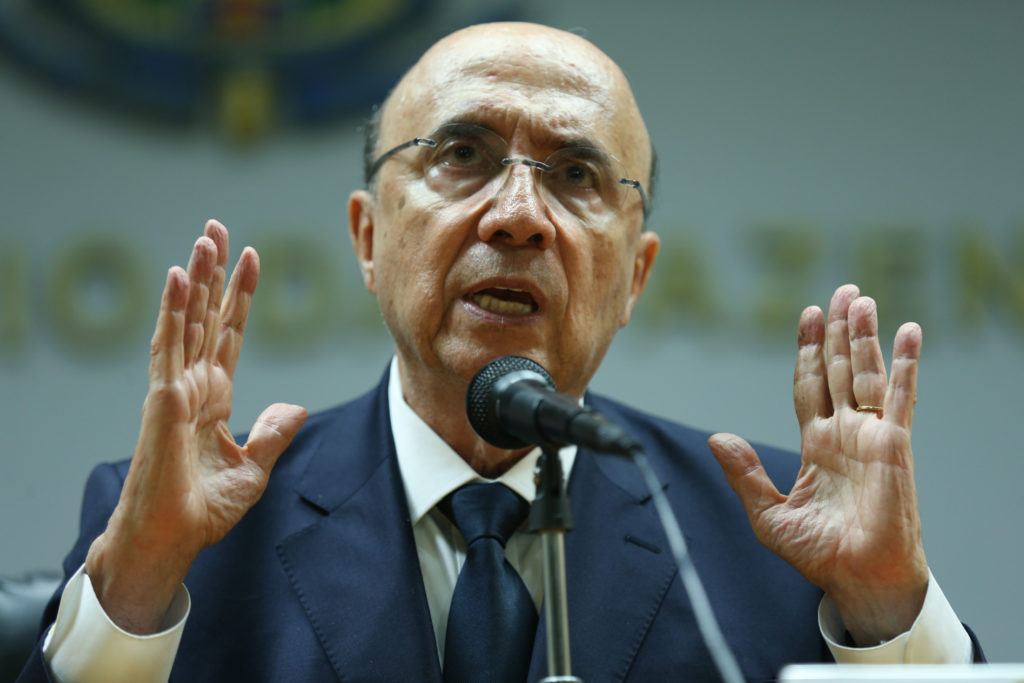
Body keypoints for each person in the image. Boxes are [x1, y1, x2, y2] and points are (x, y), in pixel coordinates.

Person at [18, 21, 983, 683]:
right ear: (368, 237)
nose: (518, 215)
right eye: (463, 155)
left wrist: (886, 613)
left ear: (635, 276)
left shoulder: (776, 544)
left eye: (576, 173)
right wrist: (135, 590)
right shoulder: (184, 533)